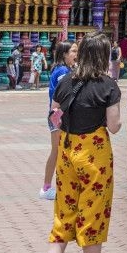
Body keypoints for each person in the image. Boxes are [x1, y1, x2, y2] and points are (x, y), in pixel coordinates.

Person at [37, 32, 122, 253]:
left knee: (64, 211)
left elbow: (53, 118)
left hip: (67, 149)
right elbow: (115, 126)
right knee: (93, 211)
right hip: (94, 153)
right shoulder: (108, 85)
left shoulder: (65, 82)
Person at [40, 40, 77, 199]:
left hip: (58, 114)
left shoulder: (64, 69)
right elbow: (66, 93)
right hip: (58, 114)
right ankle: (47, 188)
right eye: (73, 51)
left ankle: (51, 187)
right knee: (57, 151)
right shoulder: (62, 71)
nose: (76, 55)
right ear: (64, 54)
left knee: (60, 151)